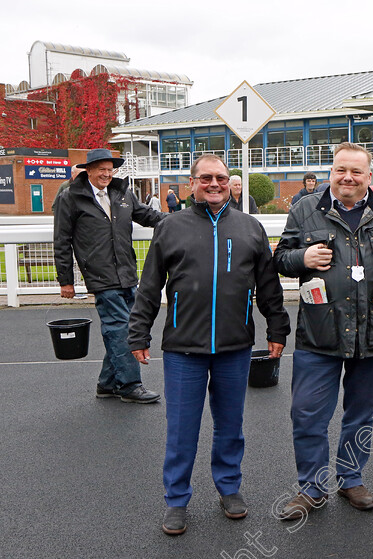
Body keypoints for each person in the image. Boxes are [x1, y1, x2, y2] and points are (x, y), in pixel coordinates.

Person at [127, 154, 290, 536]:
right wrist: (138, 333)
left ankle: (229, 489)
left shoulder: (250, 228)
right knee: (181, 430)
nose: (214, 184)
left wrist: (277, 330)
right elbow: (150, 287)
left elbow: (268, 288)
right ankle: (177, 500)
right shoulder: (170, 227)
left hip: (235, 348)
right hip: (184, 350)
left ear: (229, 182)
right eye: (206, 178)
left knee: (230, 427)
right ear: (192, 183)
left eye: (220, 178)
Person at [273, 142, 373, 520]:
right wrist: (301, 258)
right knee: (306, 414)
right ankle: (311, 487)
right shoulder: (305, 208)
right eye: (341, 170)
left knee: (360, 415)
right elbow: (280, 260)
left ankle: (351, 478)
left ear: (369, 175)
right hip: (318, 334)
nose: (348, 177)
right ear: (330, 172)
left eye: (356, 171)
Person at [53, 148, 165, 403]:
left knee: (122, 327)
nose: (106, 174)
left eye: (109, 169)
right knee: (121, 328)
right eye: (101, 169)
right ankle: (129, 384)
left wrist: (180, 220)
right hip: (100, 275)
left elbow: (147, 216)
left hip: (126, 271)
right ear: (88, 170)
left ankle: (107, 383)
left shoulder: (122, 193)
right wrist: (65, 280)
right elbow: (61, 239)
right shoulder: (70, 197)